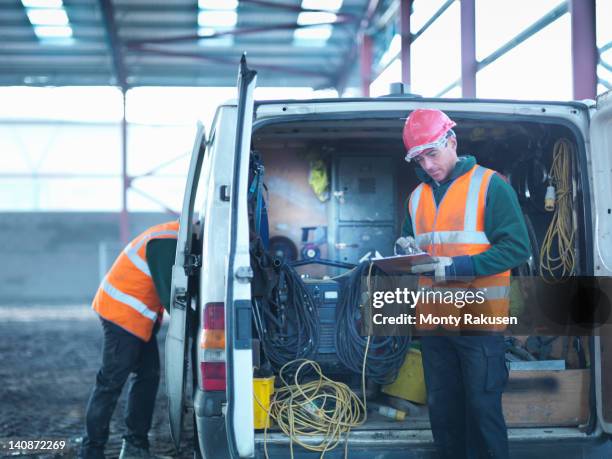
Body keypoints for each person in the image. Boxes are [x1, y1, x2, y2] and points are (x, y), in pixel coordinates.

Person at [400, 109, 530, 459]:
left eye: (432, 152)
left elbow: (518, 248)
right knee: (443, 411)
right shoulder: (415, 198)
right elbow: (413, 244)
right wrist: (406, 253)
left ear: (452, 142)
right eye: (418, 157)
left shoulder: (490, 186)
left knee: (482, 410)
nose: (427, 164)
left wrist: (460, 266)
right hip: (434, 324)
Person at [80, 220, 178, 459]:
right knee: (110, 383)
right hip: (122, 315)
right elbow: (171, 295)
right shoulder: (169, 241)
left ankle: (135, 446)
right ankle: (91, 451)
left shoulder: (173, 234)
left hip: (136, 317)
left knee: (147, 376)